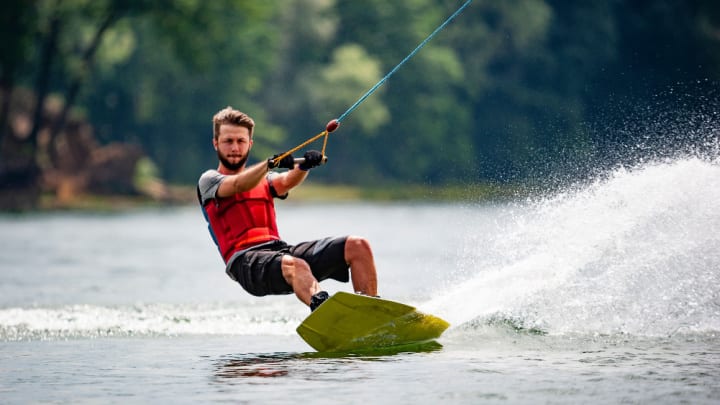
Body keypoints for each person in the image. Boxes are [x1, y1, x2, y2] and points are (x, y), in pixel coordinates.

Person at [197, 106, 378, 311]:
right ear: (216, 143)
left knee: (357, 245)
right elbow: (239, 185)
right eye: (228, 141)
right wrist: (269, 163)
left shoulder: (263, 179)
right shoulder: (209, 181)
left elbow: (285, 181)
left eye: (241, 141)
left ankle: (370, 313)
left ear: (250, 144)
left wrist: (304, 167)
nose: (235, 147)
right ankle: (327, 312)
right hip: (246, 263)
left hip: (278, 251)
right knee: (296, 264)